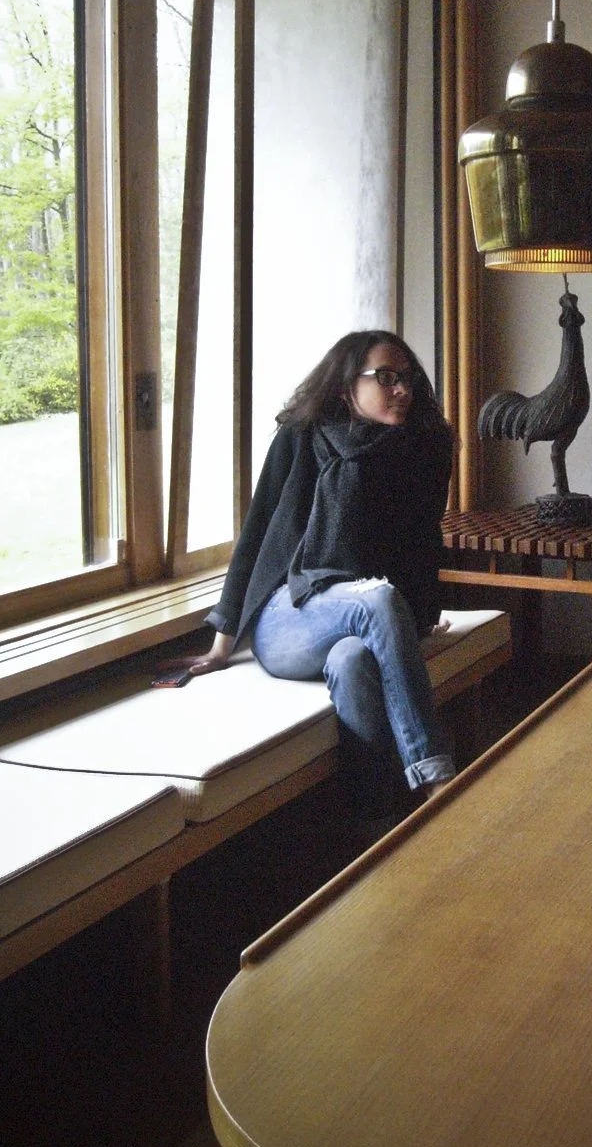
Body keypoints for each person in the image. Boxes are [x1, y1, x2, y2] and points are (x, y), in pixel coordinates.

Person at [190, 330, 457, 822]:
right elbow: (257, 530)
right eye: (386, 378)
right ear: (346, 384)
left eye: (408, 378)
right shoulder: (303, 434)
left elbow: (421, 542)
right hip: (291, 613)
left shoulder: (423, 447)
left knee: (354, 660)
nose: (402, 389)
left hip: (365, 616)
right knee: (378, 600)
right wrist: (222, 643)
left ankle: (376, 824)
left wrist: (417, 619)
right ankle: (439, 782)